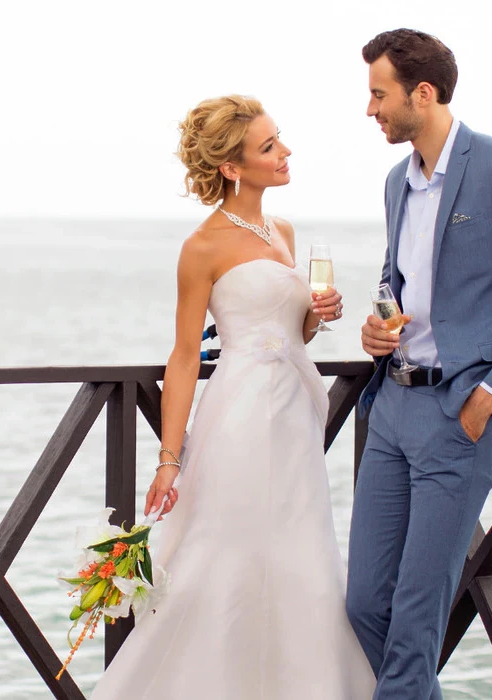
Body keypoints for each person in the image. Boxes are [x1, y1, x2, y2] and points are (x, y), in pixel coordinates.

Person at [90, 95, 375, 698]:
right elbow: (187, 355)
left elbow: (291, 328)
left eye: (280, 140)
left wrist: (320, 315)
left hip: (296, 414)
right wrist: (170, 460)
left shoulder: (284, 230)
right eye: (269, 146)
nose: (285, 152)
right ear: (232, 167)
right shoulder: (203, 246)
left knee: (300, 558)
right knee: (228, 555)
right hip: (241, 414)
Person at [347, 29, 492, 700]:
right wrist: (377, 327)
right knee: (363, 605)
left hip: (459, 413)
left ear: (424, 93)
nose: (371, 108)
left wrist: (490, 394)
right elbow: (395, 281)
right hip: (392, 410)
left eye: (378, 94)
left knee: (414, 622)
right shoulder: (394, 182)